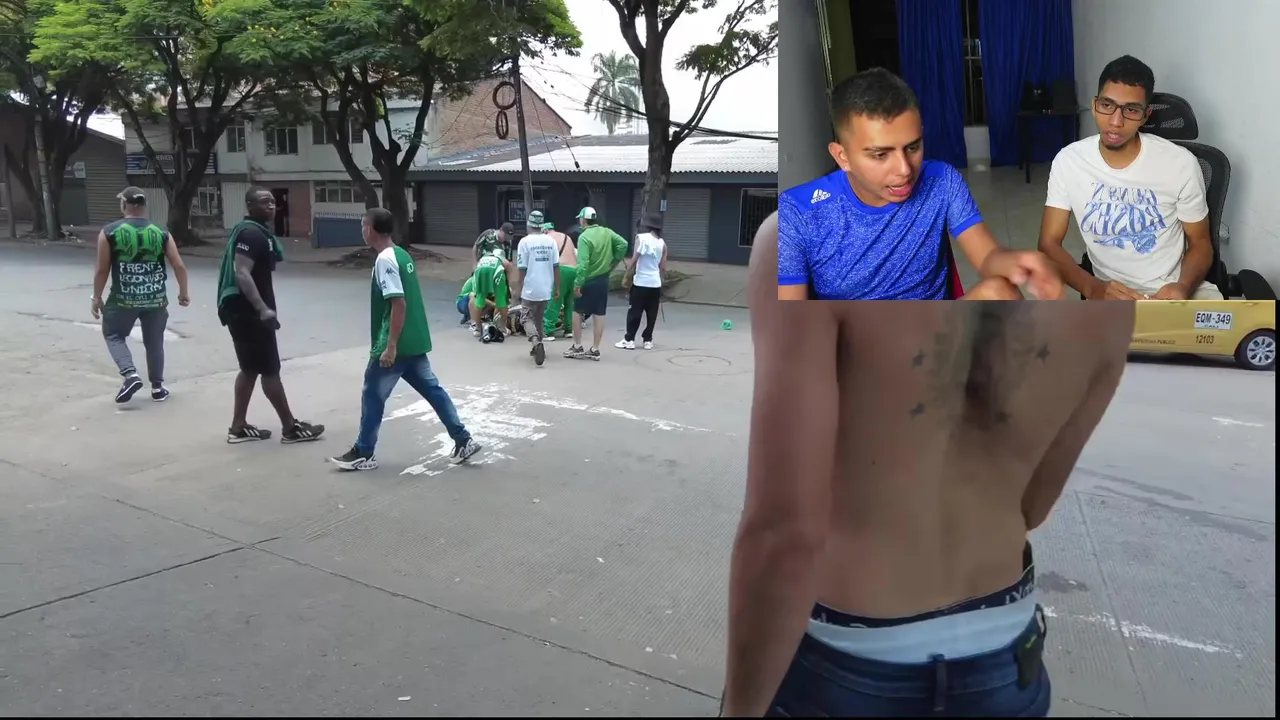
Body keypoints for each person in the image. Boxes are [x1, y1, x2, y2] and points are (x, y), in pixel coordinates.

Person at [722, 214, 1135, 717]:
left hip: (852, 664)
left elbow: (782, 532)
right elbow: (1031, 506)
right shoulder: (1110, 318)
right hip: (1005, 657)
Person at [778, 68, 1063, 301]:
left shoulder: (942, 181)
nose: (905, 170)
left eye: (912, 147)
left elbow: (988, 256)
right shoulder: (798, 212)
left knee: (1001, 294)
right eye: (880, 155)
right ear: (842, 156)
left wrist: (1017, 263)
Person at [1038, 56, 1221, 301]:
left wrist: (1183, 287)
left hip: (1173, 290)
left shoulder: (1181, 164)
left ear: (1145, 116)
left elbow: (1200, 243)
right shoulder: (1069, 161)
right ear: (1094, 105)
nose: (1116, 122)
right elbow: (1048, 244)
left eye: (1131, 110)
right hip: (1109, 294)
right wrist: (1093, 288)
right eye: (1107, 105)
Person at [330, 208, 481, 471]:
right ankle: (463, 439)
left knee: (372, 395)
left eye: (363, 226)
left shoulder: (385, 260)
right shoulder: (402, 254)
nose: (362, 231)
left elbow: (398, 303)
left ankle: (364, 452)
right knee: (433, 391)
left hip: (396, 343)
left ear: (369, 230)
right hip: (414, 340)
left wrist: (390, 346)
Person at [215, 187, 324, 444]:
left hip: (241, 310)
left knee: (249, 369)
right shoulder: (252, 234)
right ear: (250, 205)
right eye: (264, 202)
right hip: (249, 312)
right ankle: (290, 428)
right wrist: (262, 308)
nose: (271, 205)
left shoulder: (254, 232)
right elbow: (242, 273)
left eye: (273, 201)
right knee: (269, 370)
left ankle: (238, 427)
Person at [91, 186, 190, 403]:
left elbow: (102, 270)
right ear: (144, 206)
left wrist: (96, 298)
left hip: (123, 299)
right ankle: (158, 388)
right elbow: (179, 266)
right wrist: (183, 293)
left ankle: (130, 374)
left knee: (113, 335)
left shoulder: (109, 232)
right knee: (154, 342)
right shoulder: (161, 232)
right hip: (155, 299)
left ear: (124, 205)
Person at [563, 207, 628, 361]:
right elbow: (623, 244)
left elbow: (583, 264)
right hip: (603, 279)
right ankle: (595, 349)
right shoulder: (607, 232)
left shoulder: (584, 237)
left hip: (587, 279)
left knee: (577, 311)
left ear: (583, 220)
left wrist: (577, 284)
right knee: (599, 313)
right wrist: (614, 261)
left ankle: (577, 346)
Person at [514, 210, 560, 366]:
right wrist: (557, 287)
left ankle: (535, 341)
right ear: (541, 226)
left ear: (529, 225)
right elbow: (556, 266)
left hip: (530, 288)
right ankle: (539, 347)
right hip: (546, 288)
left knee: (526, 317)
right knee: (539, 319)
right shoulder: (551, 242)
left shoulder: (524, 242)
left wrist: (517, 289)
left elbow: (522, 268)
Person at [616, 212, 667, 351]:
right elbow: (663, 267)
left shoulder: (641, 238)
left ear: (647, 225)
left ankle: (629, 339)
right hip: (655, 284)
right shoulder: (662, 243)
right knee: (652, 313)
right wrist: (661, 280)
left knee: (635, 311)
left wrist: (626, 275)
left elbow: (634, 259)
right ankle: (648, 340)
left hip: (640, 283)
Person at [541, 220, 577, 340]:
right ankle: (568, 329)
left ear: (544, 231)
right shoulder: (567, 237)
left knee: (555, 300)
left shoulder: (547, 239)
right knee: (569, 302)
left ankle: (548, 331)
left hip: (561, 270)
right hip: (574, 270)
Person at [468, 244, 511, 338]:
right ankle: (502, 328)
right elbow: (508, 271)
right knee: (502, 299)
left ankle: (478, 329)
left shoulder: (484, 258)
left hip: (479, 270)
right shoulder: (502, 260)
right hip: (497, 271)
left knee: (479, 298)